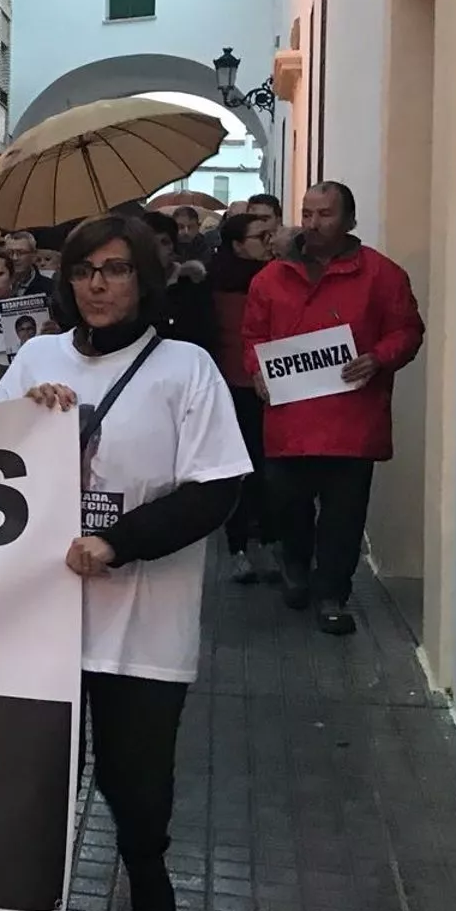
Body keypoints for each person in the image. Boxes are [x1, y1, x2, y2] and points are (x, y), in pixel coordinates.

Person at [0, 214, 250, 911]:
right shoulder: (35, 359)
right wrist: (21, 422)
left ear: (144, 277)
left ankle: (146, 858)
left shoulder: (188, 369)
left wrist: (118, 542)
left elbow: (216, 491)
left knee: (135, 790)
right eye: (82, 271)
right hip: (44, 626)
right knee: (37, 798)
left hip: (144, 625)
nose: (97, 285)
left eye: (114, 269)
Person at [243, 182, 424, 636]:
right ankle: (296, 562)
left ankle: (331, 594)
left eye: (324, 214)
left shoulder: (382, 275)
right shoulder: (271, 278)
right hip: (290, 419)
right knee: (287, 502)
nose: (312, 224)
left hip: (352, 418)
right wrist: (257, 373)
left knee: (344, 516)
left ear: (349, 221)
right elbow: (253, 337)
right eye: (307, 213)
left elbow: (407, 330)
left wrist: (378, 358)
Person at [210, 213, 280, 583]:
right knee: (239, 469)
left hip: (274, 385)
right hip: (232, 386)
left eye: (273, 232)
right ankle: (238, 545)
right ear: (237, 245)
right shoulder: (213, 282)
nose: (270, 241)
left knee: (270, 472)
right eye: (260, 236)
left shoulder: (280, 276)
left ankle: (269, 539)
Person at [142, 211, 217, 354]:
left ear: (173, 246)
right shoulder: (134, 288)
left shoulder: (193, 284)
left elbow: (204, 336)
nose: (158, 250)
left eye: (164, 242)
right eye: (150, 243)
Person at [5, 232, 55, 298]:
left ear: (34, 255)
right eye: (10, 253)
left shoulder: (51, 287)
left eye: (21, 253)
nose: (15, 258)